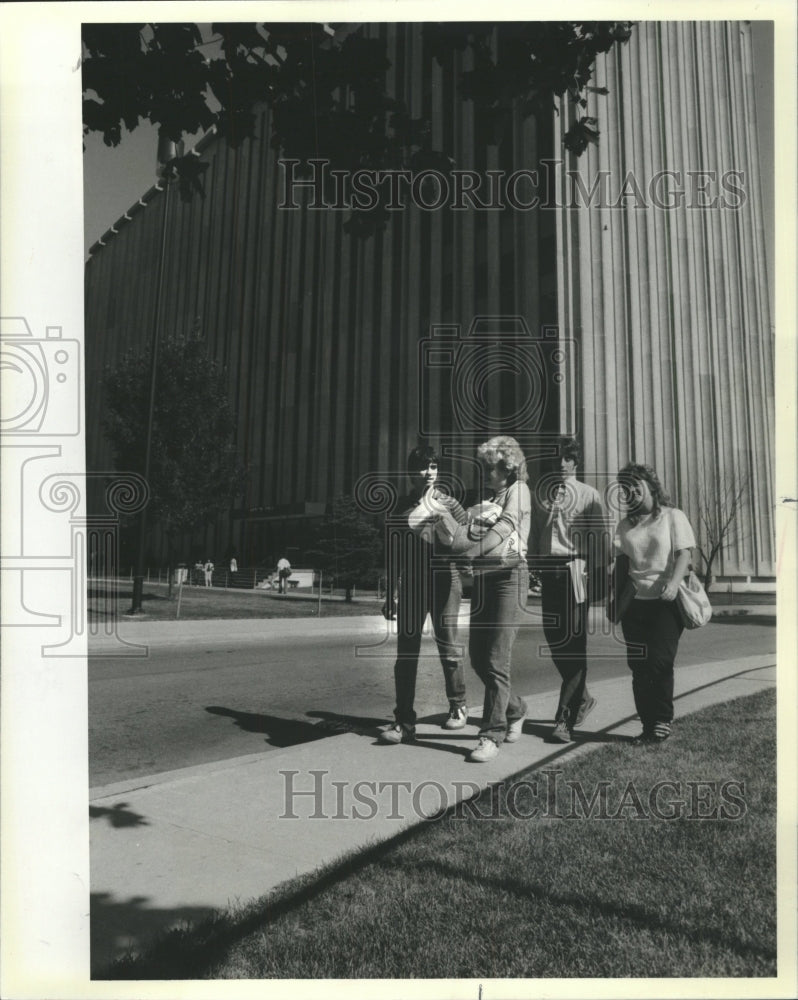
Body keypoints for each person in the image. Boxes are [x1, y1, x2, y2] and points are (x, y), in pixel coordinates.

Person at [434, 436, 531, 762]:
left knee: (496, 658)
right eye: (485, 467)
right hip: (485, 581)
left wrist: (472, 553)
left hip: (510, 579)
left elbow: (506, 527)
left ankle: (491, 734)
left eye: (491, 468)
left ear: (508, 467)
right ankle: (516, 709)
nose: (486, 473)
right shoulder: (488, 496)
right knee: (478, 657)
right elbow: (466, 531)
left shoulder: (519, 491)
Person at [378, 446, 470, 744]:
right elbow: (394, 554)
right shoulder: (400, 507)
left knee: (448, 647)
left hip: (445, 581)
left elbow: (468, 542)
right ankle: (403, 720)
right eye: (422, 467)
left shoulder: (451, 504)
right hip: (413, 586)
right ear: (411, 472)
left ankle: (457, 705)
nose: (428, 472)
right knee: (406, 654)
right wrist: (390, 593)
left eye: (432, 466)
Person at [530, 438, 609, 743]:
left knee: (573, 641)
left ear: (575, 462)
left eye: (567, 458)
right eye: (557, 458)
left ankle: (564, 718)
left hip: (578, 568)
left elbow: (601, 538)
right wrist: (532, 564)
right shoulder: (542, 494)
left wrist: (598, 576)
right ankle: (584, 697)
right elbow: (536, 533)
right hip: (549, 570)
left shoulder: (589, 495)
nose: (561, 464)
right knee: (554, 637)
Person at [613, 462, 696, 744]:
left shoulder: (673, 516)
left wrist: (672, 584)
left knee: (660, 662)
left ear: (651, 485)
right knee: (639, 667)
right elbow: (621, 566)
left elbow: (684, 554)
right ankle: (648, 725)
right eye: (626, 488)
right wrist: (614, 603)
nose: (631, 491)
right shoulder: (625, 525)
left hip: (665, 602)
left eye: (636, 485)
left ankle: (662, 720)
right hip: (634, 605)